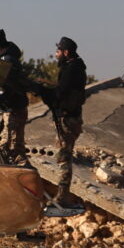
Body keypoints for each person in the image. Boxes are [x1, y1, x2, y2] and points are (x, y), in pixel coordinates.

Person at [47, 36, 88, 213]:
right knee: (64, 157)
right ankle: (62, 195)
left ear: (66, 52)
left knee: (64, 158)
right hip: (70, 117)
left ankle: (62, 197)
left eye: (58, 51)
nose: (56, 55)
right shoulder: (74, 67)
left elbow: (62, 92)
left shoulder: (72, 69)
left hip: (69, 119)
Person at [0, 29, 29, 164]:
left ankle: (12, 177)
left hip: (13, 109)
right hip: (14, 108)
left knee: (8, 148)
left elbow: (6, 89)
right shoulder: (7, 59)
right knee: (16, 149)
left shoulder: (6, 61)